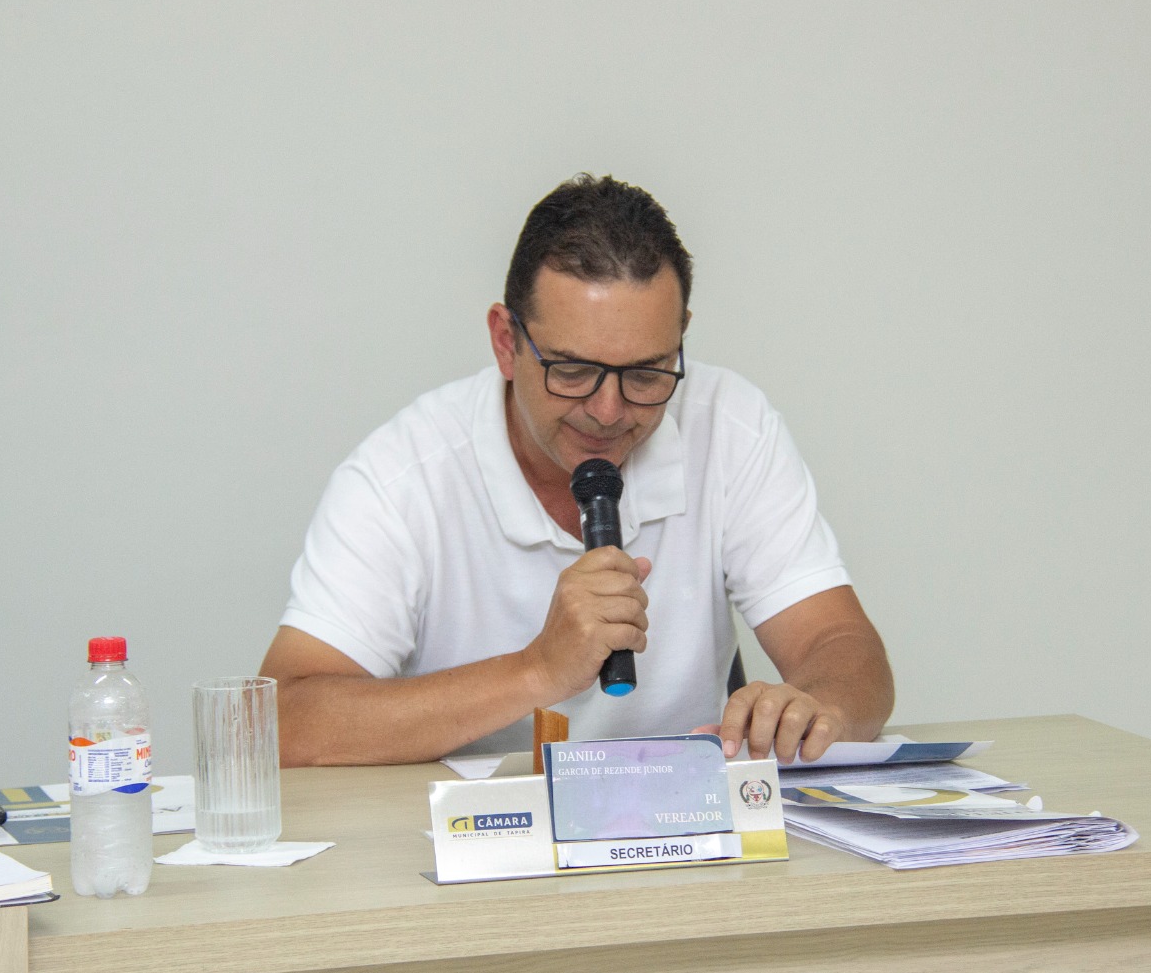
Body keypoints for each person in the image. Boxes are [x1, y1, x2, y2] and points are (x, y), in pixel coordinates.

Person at [260, 174, 893, 767]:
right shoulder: (402, 476)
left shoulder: (730, 425)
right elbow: (284, 721)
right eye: (572, 370)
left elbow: (840, 645)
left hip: (686, 829)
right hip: (475, 840)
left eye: (646, 373)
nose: (608, 411)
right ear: (506, 342)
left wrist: (819, 708)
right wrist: (537, 670)